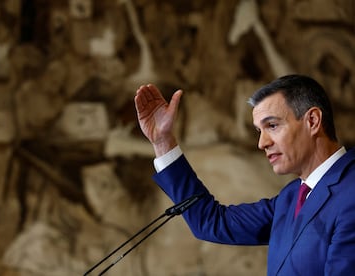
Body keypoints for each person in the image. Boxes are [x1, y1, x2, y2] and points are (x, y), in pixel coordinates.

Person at [134, 74, 355, 275]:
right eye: (259, 131)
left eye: (272, 125)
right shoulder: (291, 197)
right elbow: (212, 222)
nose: (262, 143)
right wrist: (163, 142)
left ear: (313, 121)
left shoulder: (350, 193)